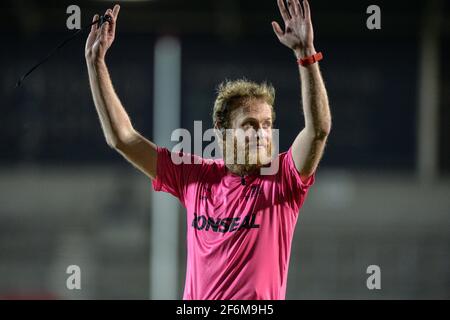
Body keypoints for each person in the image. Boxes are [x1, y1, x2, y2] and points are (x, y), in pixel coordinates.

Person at [85, 0, 331, 300]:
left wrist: (306, 55)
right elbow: (123, 138)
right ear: (222, 130)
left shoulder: (282, 180)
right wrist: (96, 63)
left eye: (267, 124)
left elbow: (318, 130)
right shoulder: (196, 176)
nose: (262, 133)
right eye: (250, 124)